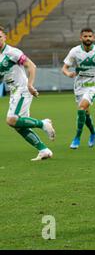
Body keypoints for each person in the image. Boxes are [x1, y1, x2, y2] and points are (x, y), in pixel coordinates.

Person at [0, 26, 55, 161]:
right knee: (18, 126)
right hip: (14, 92)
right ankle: (44, 150)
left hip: (22, 89)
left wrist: (30, 84)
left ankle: (43, 124)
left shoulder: (12, 52)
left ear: (5, 37)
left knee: (11, 120)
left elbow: (31, 65)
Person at [62, 28, 95, 149]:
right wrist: (68, 74)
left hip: (94, 85)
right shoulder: (75, 52)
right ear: (81, 38)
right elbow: (64, 68)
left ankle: (77, 137)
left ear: (94, 38)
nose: (88, 39)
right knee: (85, 112)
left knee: (81, 108)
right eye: (85, 36)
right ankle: (93, 132)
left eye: (90, 36)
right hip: (79, 86)